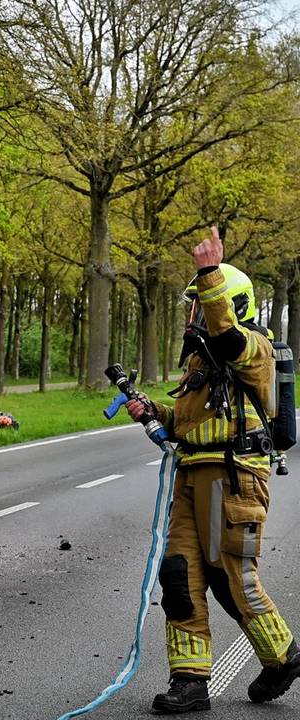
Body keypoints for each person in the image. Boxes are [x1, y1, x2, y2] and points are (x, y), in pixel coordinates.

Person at [127, 227, 299, 713]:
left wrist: (209, 274)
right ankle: (190, 681)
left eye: (203, 306)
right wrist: (154, 412)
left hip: (234, 475)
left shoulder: (255, 349)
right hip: (191, 475)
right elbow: (189, 422)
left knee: (231, 577)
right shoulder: (198, 366)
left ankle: (283, 657)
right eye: (195, 308)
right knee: (178, 575)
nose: (196, 316)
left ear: (231, 304)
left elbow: (229, 342)